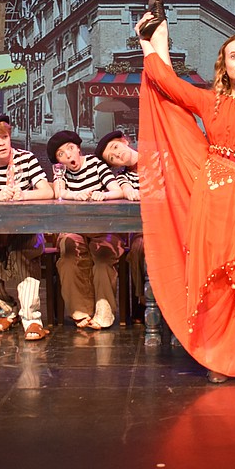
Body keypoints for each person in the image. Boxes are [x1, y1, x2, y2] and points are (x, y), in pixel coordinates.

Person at [136, 0, 235, 382]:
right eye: (233, 56)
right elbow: (169, 86)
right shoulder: (213, 102)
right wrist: (149, 46)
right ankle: (210, 352)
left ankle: (227, 355)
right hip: (209, 189)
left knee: (234, 271)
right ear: (224, 64)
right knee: (207, 270)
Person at [0, 114, 53, 340]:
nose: (2, 143)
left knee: (23, 257)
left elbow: (47, 191)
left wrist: (23, 195)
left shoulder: (26, 158)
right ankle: (9, 310)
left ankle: (32, 320)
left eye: (4, 137)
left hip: (26, 229)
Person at [48, 129, 126, 331]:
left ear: (78, 148)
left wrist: (103, 195)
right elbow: (58, 192)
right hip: (75, 228)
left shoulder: (95, 164)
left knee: (102, 258)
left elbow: (116, 190)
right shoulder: (61, 172)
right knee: (67, 255)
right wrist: (76, 195)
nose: (68, 156)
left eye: (70, 149)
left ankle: (104, 310)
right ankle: (80, 310)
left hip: (102, 228)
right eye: (61, 154)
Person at [96, 129, 146, 323]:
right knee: (139, 246)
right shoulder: (124, 178)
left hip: (173, 225)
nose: (117, 155)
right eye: (112, 157)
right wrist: (127, 189)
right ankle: (143, 301)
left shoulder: (160, 159)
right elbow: (125, 188)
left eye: (115, 147)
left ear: (125, 141)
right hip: (143, 230)